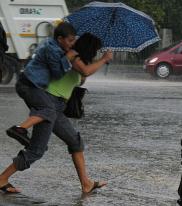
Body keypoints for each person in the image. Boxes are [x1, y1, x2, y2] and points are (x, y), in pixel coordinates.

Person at [0, 33, 113, 193]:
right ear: (90, 48)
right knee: (37, 150)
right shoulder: (72, 56)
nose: (97, 53)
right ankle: (2, 178)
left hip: (58, 107)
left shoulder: (79, 61)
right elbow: (85, 72)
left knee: (75, 142)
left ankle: (86, 184)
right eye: (96, 50)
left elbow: (81, 77)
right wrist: (104, 59)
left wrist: (95, 64)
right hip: (48, 104)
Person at [5, 22, 78, 147]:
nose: (72, 44)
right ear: (60, 39)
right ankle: (19, 129)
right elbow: (57, 74)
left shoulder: (51, 44)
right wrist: (67, 59)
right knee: (48, 110)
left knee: (44, 110)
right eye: (70, 41)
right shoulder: (53, 50)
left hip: (30, 84)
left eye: (74, 41)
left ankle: (32, 142)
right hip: (29, 84)